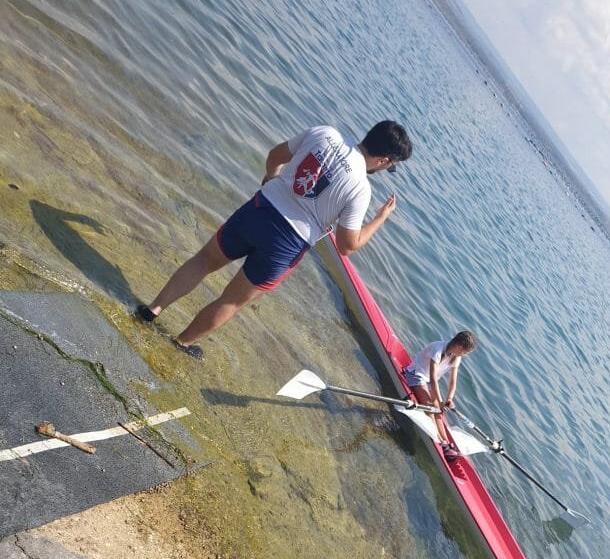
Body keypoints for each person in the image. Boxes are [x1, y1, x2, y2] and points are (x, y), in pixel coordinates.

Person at [135, 121, 413, 358]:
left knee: (203, 262)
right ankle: (181, 343)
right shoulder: (360, 188)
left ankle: (152, 310)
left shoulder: (325, 133)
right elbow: (346, 245)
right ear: (384, 160)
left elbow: (275, 156)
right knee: (231, 300)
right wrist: (380, 218)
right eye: (390, 166)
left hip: (260, 209)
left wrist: (271, 179)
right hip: (288, 243)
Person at [403, 331, 476, 462]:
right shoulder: (437, 350)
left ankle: (446, 442)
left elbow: (453, 380)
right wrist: (440, 401)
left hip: (428, 382)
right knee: (432, 408)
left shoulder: (456, 357)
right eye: (465, 352)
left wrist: (449, 399)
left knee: (438, 410)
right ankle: (440, 441)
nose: (464, 355)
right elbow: (433, 378)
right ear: (459, 347)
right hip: (415, 375)